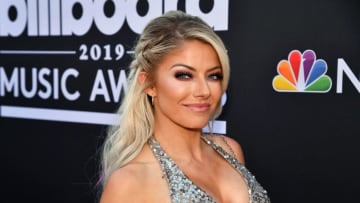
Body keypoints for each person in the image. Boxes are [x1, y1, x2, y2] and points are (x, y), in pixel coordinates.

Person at [99, 10, 270, 203]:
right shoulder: (129, 181)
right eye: (184, 75)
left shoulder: (230, 149)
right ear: (149, 84)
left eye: (213, 75)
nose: (204, 90)